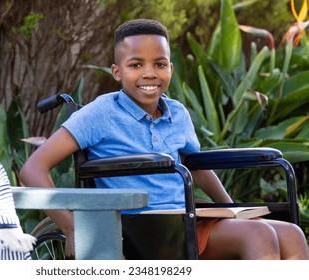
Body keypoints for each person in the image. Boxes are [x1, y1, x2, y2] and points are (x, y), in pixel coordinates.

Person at [20, 19, 309, 260]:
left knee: (292, 235)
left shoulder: (178, 113)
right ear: (117, 72)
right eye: (136, 65)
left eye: (160, 64)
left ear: (170, 68)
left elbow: (197, 166)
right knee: (259, 235)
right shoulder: (102, 112)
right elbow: (32, 169)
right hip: (144, 226)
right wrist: (73, 229)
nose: (149, 73)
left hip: (185, 218)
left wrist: (233, 209)